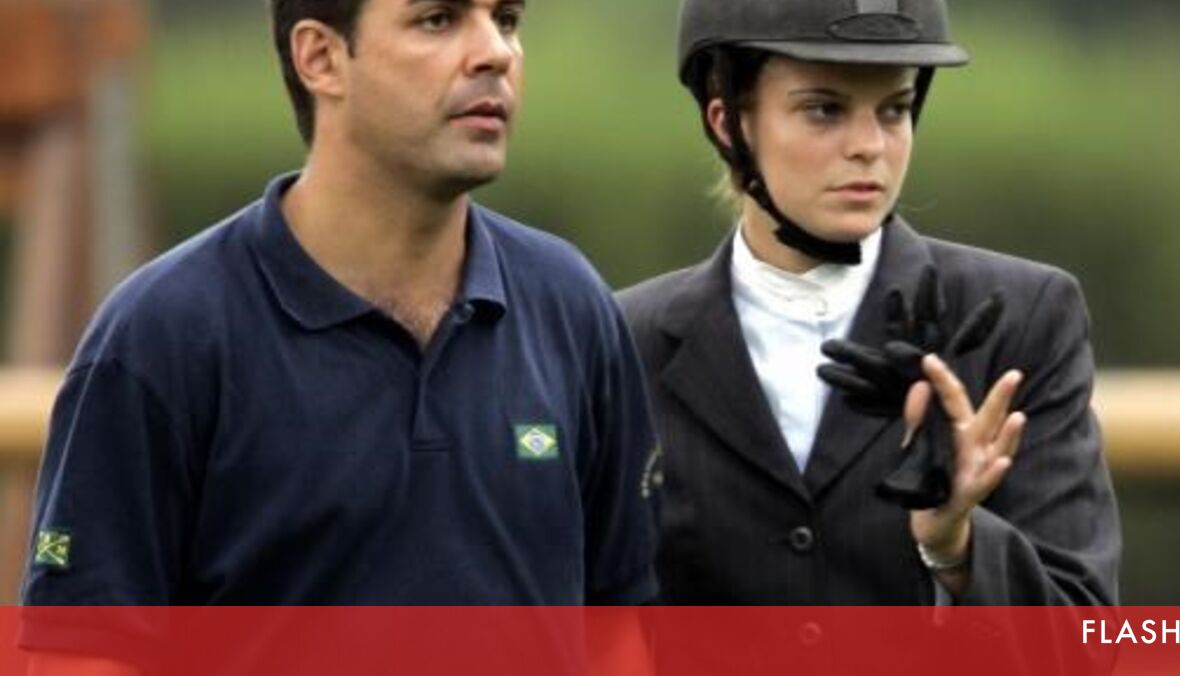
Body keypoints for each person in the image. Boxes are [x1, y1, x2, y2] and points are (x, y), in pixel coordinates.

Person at [20, 0, 657, 672]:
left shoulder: (572, 306)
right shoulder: (162, 336)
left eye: (505, 19)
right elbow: (80, 658)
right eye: (438, 20)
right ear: (320, 58)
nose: (494, 53)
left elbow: (615, 636)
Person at [618, 0, 1119, 606]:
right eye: (824, 109)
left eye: (895, 109)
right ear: (728, 123)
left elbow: (1090, 634)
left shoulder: (1025, 318)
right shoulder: (623, 338)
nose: (869, 146)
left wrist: (957, 546)